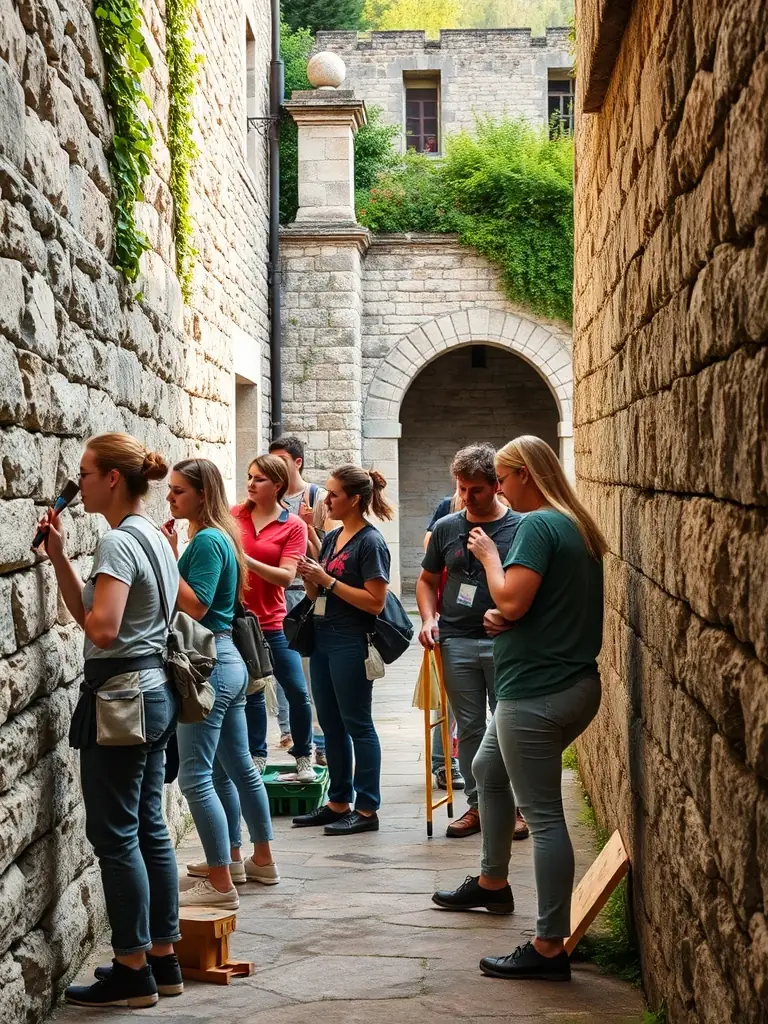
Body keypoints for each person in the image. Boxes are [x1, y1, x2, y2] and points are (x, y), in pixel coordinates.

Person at [432, 436, 606, 983]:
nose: (499, 488)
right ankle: (491, 884)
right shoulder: (571, 523)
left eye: (504, 478)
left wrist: (488, 559)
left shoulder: (534, 525)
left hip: (536, 693)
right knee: (484, 768)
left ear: (527, 474)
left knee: (547, 817)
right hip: (560, 683)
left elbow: (508, 597)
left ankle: (550, 945)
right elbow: (535, 605)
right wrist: (509, 621)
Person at [37, 433, 183, 1008]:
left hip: (121, 698)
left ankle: (130, 968)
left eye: (87, 473)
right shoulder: (152, 536)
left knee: (115, 834)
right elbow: (95, 617)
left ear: (114, 479)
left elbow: (101, 631)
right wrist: (57, 557)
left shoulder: (119, 543)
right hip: (154, 692)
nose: (82, 482)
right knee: (149, 826)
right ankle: (163, 960)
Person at [162, 458, 279, 910]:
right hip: (226, 661)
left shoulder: (209, 540)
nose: (170, 498)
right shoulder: (218, 536)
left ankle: (221, 885)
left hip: (209, 663)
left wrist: (167, 561)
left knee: (196, 777)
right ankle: (249, 860)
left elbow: (196, 605)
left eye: (178, 492)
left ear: (202, 496)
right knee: (236, 767)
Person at [417, 443, 527, 840]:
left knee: (509, 727)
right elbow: (427, 581)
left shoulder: (521, 527)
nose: (465, 498)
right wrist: (430, 619)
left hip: (506, 643)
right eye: (460, 488)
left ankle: (515, 809)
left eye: (474, 490)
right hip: (456, 641)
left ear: (497, 485)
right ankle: (480, 807)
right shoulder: (448, 526)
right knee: (471, 728)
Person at [292, 465, 393, 836]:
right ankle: (338, 801)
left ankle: (367, 808)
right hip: (322, 638)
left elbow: (375, 602)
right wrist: (310, 577)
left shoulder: (371, 542)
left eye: (333, 494)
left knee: (358, 724)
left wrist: (328, 580)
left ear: (353, 499)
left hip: (351, 641)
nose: (326, 500)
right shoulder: (334, 538)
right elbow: (318, 594)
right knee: (331, 724)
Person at [232, 455, 314, 780]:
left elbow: (285, 576)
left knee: (297, 691)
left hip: (273, 622)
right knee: (252, 691)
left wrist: (246, 559)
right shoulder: (234, 515)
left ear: (277, 485)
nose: (250, 484)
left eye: (259, 479)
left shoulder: (293, 525)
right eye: (250, 477)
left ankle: (304, 756)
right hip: (238, 622)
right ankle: (257, 756)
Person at [268, 435, 330, 765]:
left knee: (308, 669)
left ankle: (316, 740)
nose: (275, 468)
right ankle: (288, 731)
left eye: (281, 461)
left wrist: (308, 529)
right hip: (277, 593)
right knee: (282, 667)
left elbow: (328, 555)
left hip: (306, 593)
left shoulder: (316, 497)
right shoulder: (267, 500)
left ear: (297, 462)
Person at [424, 490, 463, 792]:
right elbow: (430, 561)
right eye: (463, 488)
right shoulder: (446, 510)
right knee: (446, 698)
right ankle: (442, 763)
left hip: (486, 625)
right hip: (447, 620)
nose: (467, 496)